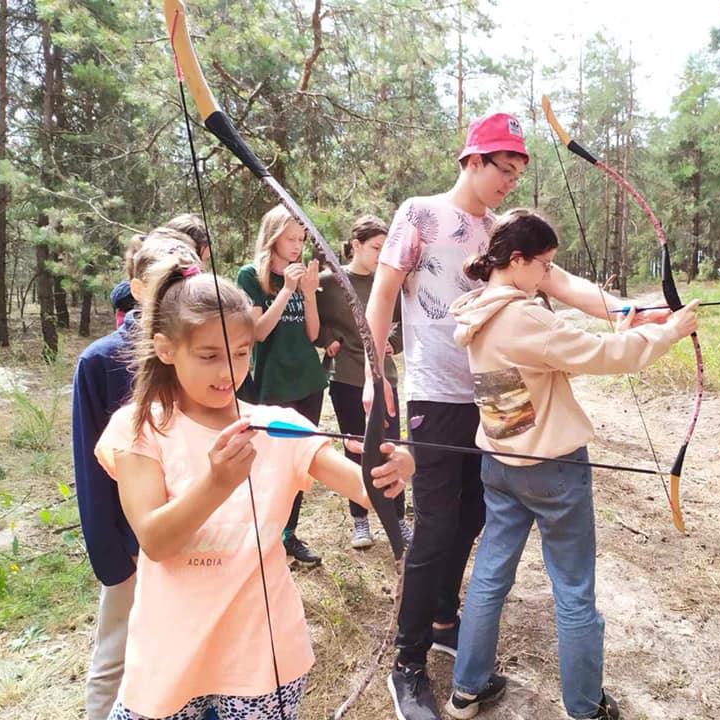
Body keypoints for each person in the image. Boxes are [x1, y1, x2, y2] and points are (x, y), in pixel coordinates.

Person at [363, 112, 660, 720]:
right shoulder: (419, 213)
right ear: (472, 159)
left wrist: (633, 311)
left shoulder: (503, 230)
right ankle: (408, 664)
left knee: (475, 516)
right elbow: (383, 294)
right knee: (438, 527)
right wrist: (376, 376)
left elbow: (568, 284)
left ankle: (447, 620)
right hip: (433, 396)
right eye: (504, 167)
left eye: (519, 171)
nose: (510, 181)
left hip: (489, 402)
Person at [94, 258, 414, 720]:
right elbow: (155, 540)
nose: (228, 370)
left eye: (242, 352)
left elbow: (369, 491)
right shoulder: (141, 427)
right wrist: (217, 482)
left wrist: (398, 467)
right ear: (165, 349)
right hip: (169, 652)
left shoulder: (278, 427)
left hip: (263, 654)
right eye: (209, 355)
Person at [444, 209, 699, 720]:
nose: (547, 277)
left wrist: (624, 326)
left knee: (490, 576)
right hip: (553, 471)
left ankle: (466, 689)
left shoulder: (477, 311)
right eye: (543, 265)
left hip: (500, 464)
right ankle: (584, 707)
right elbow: (607, 358)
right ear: (515, 260)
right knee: (574, 589)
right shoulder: (522, 317)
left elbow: (547, 365)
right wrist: (670, 332)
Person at [73, 235, 201, 720]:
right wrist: (113, 553)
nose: (176, 291)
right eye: (165, 280)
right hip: (131, 539)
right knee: (117, 651)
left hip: (192, 530)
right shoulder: (101, 360)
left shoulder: (200, 349)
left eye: (186, 278)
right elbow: (92, 469)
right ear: (136, 288)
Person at [236, 204, 327, 567]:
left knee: (299, 464)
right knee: (270, 465)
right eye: (290, 238)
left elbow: (313, 334)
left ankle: (288, 534)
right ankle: (265, 535)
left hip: (309, 380)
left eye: (301, 239)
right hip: (272, 385)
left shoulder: (301, 274)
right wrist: (287, 290)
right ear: (273, 237)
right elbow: (257, 332)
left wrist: (307, 292)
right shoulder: (250, 276)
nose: (297, 246)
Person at [317, 215, 412, 549]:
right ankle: (360, 520)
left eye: (387, 248)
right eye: (376, 247)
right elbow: (313, 324)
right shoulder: (329, 282)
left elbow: (402, 324)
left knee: (390, 449)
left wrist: (394, 344)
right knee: (356, 448)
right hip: (346, 378)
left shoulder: (388, 281)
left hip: (384, 378)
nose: (381, 255)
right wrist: (329, 338)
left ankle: (398, 521)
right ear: (355, 245)